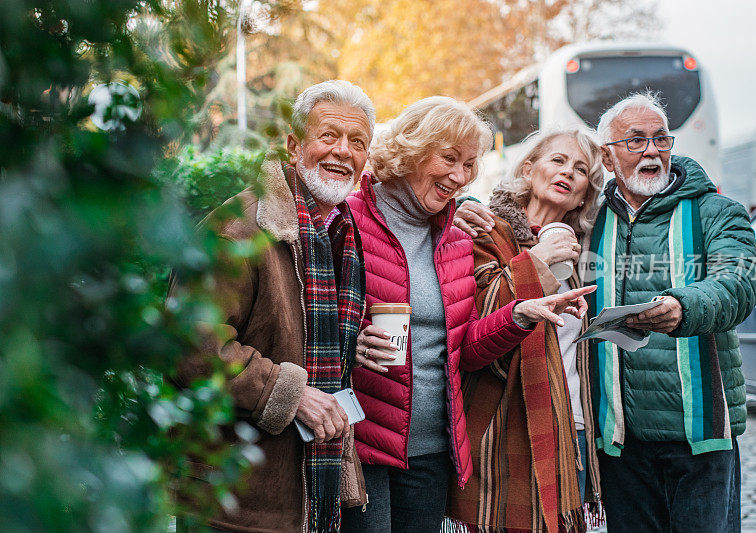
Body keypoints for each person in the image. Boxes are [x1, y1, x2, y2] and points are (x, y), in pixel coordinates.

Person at [341, 97, 595, 533]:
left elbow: (466, 351)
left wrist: (519, 315)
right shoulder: (348, 217)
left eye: (469, 166)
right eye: (449, 159)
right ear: (413, 150)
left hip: (432, 450)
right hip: (363, 441)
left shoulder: (457, 236)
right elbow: (311, 314)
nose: (459, 177)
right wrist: (353, 342)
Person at [172, 80, 375, 532]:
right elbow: (188, 345)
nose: (343, 151)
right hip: (234, 497)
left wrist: (354, 347)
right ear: (293, 145)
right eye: (329, 136)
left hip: (307, 491)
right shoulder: (237, 227)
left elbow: (297, 334)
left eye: (357, 142)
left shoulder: (340, 233)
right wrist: (288, 393)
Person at [588, 92, 756, 532]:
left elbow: (738, 284)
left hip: (700, 441)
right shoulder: (590, 221)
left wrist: (683, 307)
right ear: (608, 158)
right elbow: (529, 206)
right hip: (621, 444)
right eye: (636, 141)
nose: (651, 151)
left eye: (661, 140)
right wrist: (471, 211)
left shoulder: (717, 212)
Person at [447, 129, 605, 532]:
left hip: (572, 427)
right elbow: (479, 322)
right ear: (529, 168)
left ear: (585, 194)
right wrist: (537, 260)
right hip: (501, 424)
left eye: (581, 169)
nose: (568, 172)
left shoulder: (587, 250)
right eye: (558, 160)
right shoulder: (482, 228)